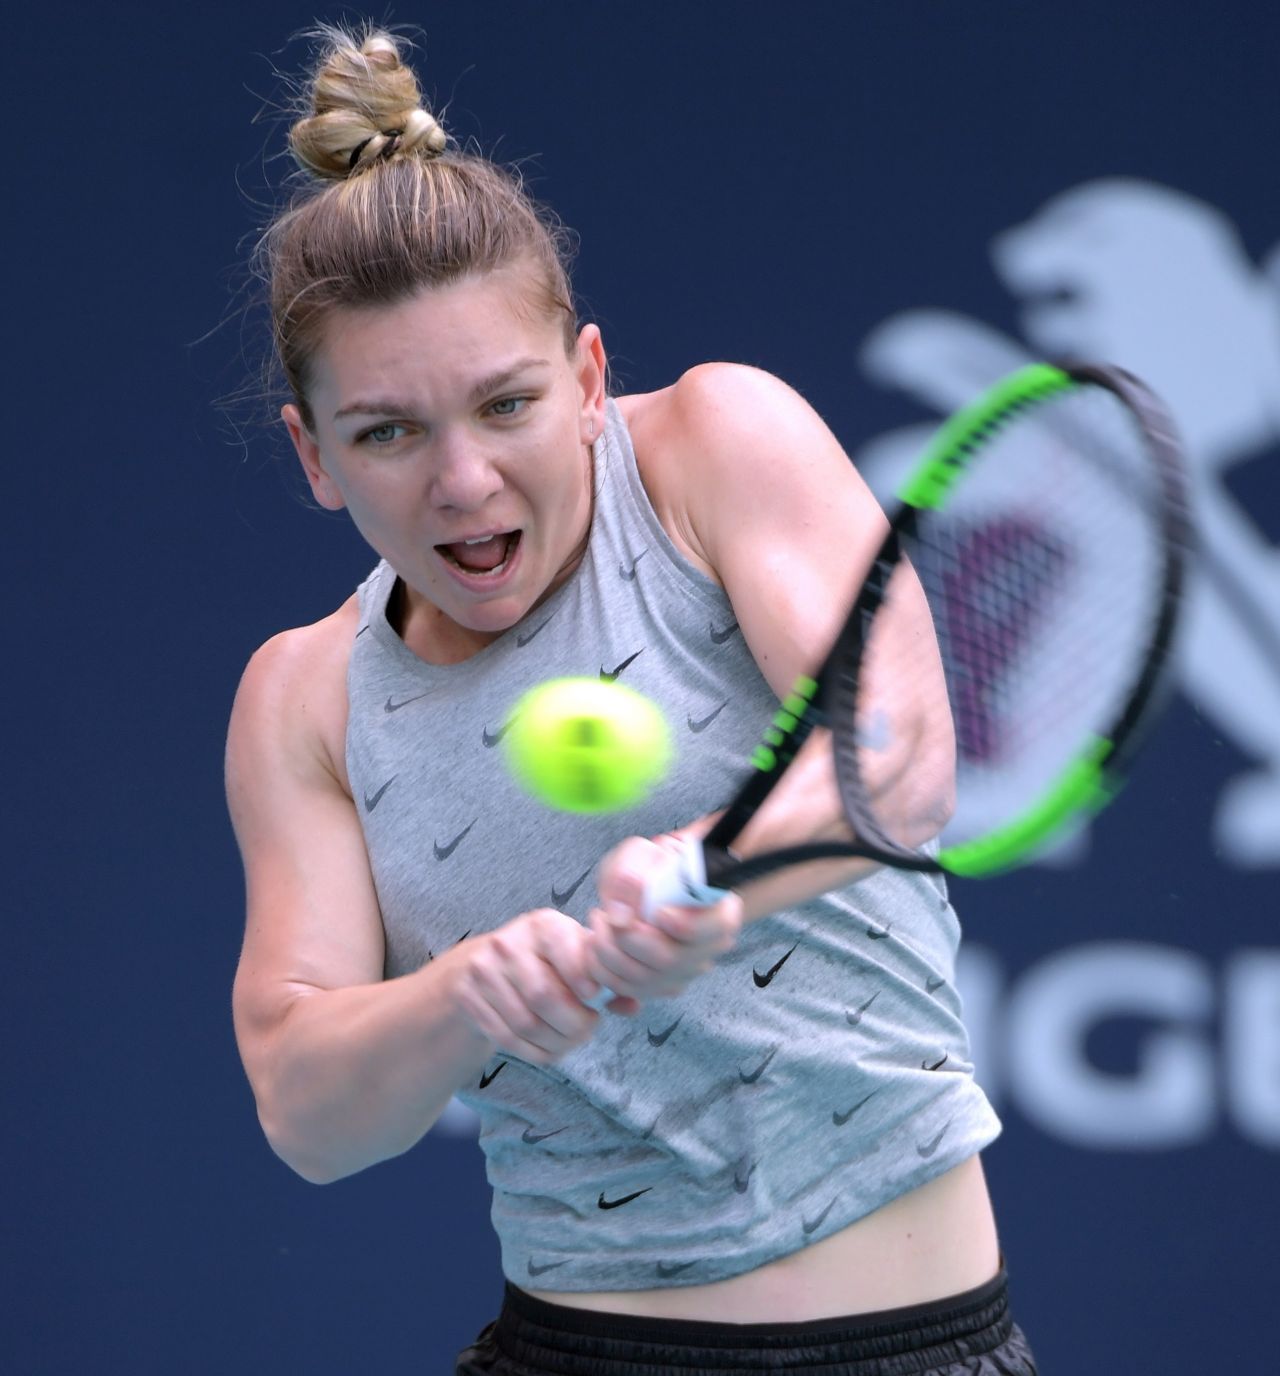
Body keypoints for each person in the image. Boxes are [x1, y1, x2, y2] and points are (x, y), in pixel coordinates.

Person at [226, 23, 1038, 1375]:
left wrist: (710, 879)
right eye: (388, 432)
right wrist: (474, 989)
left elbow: (894, 764)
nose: (466, 482)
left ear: (591, 380)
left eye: (508, 406)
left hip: (914, 1346)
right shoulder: (301, 697)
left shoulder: (716, 447)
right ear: (315, 455)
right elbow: (309, 1114)